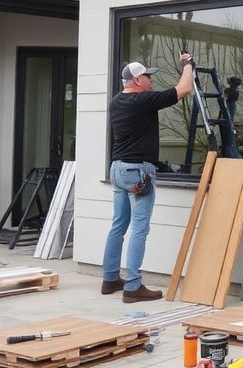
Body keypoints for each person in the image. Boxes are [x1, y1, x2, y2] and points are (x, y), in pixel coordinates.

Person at [102, 53, 195, 303]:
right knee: (140, 229)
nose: (151, 79)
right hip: (137, 172)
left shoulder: (117, 102)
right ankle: (133, 286)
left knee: (118, 225)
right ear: (136, 81)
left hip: (118, 169)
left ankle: (110, 279)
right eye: (147, 76)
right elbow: (184, 88)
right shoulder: (142, 101)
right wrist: (188, 65)